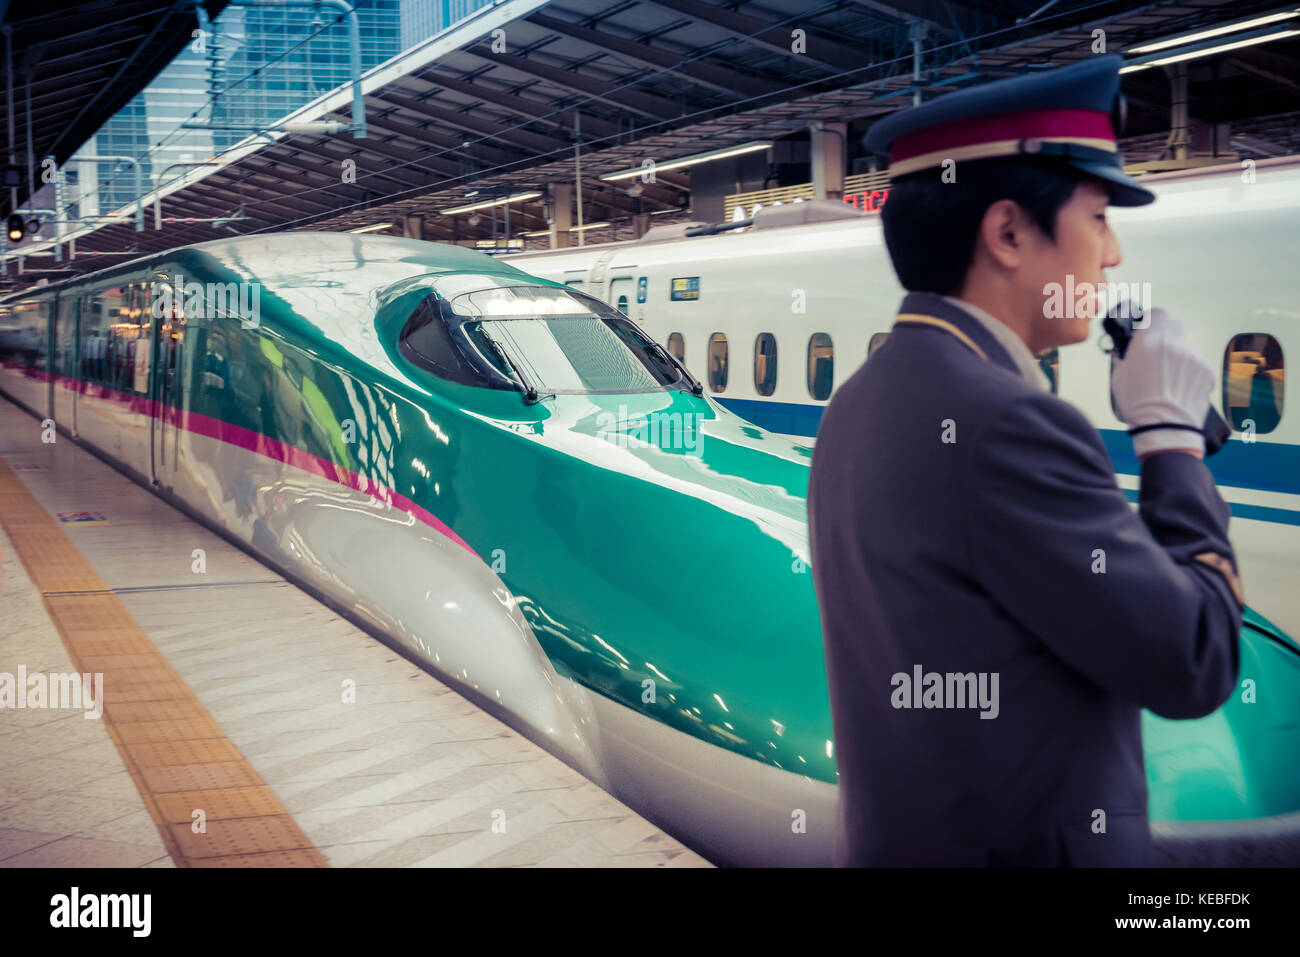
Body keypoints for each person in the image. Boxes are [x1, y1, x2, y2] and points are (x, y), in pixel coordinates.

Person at [807, 54, 1244, 867]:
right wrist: (1171, 437)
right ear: (1008, 232)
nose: (1111, 255)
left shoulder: (859, 400)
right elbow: (1198, 659)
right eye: (1100, 216)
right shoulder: (1007, 425)